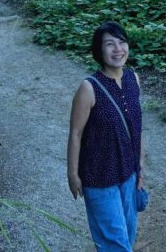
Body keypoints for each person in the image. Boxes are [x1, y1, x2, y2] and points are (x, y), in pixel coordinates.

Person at [67, 21, 145, 252]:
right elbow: (75, 133)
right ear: (99, 51)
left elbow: (137, 128)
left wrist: (140, 167)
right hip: (99, 176)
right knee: (115, 244)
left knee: (128, 235)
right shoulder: (89, 87)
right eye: (109, 44)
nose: (117, 49)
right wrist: (72, 174)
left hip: (128, 173)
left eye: (122, 42)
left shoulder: (134, 79)